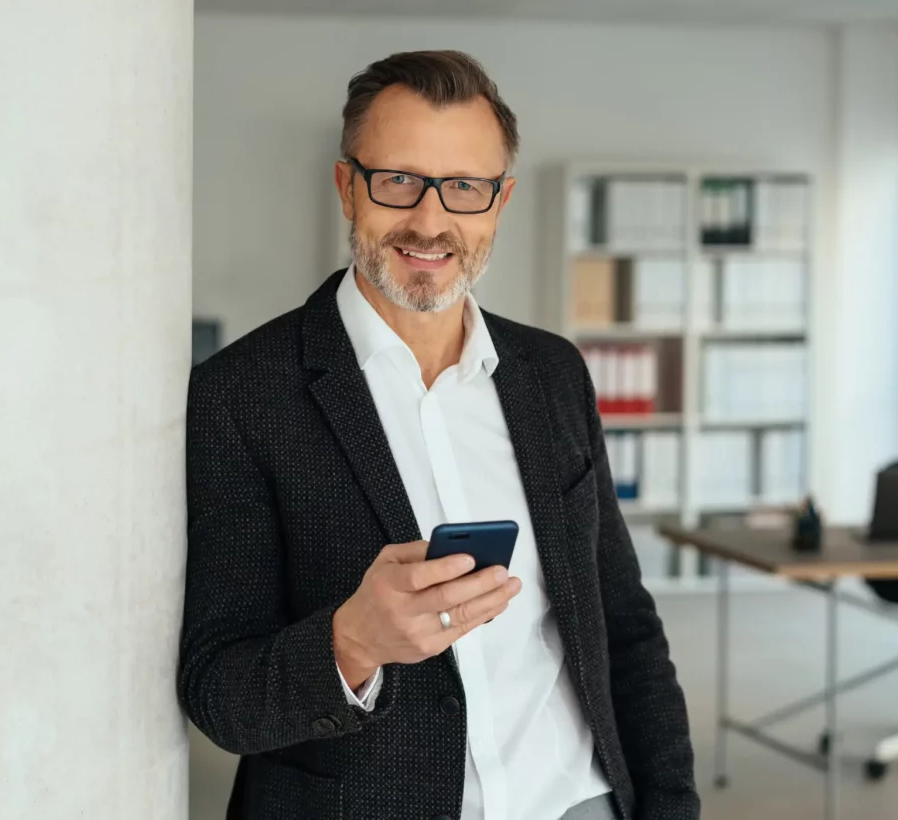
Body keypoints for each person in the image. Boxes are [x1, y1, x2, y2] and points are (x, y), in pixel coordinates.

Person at [179, 50, 699, 820]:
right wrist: (351, 644)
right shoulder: (240, 394)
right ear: (347, 187)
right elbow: (216, 690)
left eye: (463, 187)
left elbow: (624, 627)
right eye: (398, 181)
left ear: (500, 201)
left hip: (577, 802)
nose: (429, 221)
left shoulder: (553, 374)